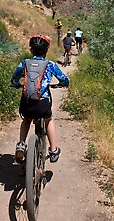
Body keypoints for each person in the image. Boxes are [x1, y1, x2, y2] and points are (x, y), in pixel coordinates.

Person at [11, 34, 70, 163]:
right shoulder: (50, 64)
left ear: (31, 50)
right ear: (46, 51)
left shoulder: (24, 63)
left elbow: (14, 78)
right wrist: (64, 84)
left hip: (27, 103)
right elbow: (64, 79)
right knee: (48, 120)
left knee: (26, 120)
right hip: (42, 104)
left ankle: (21, 144)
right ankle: (53, 150)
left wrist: (16, 84)